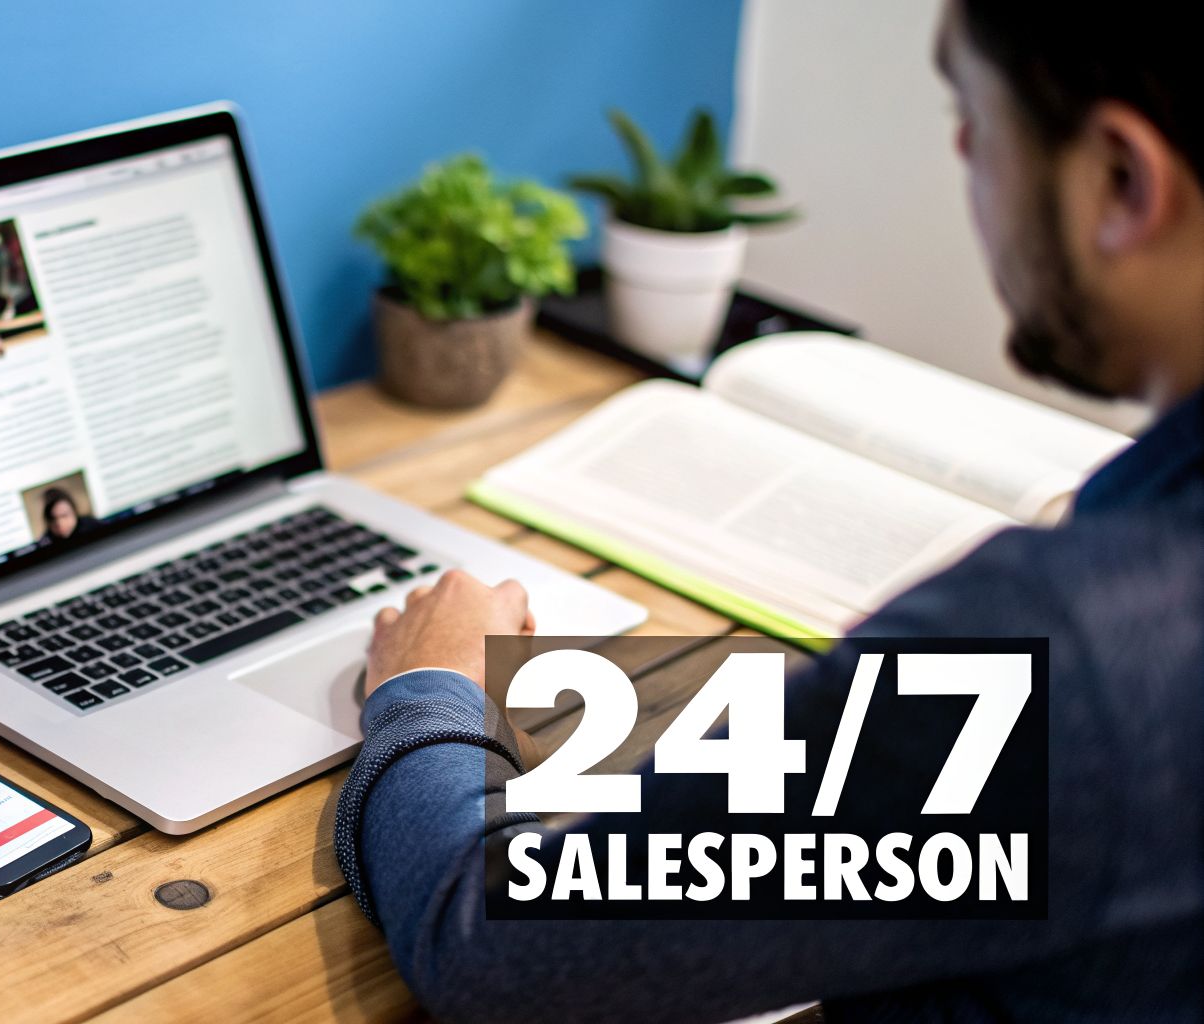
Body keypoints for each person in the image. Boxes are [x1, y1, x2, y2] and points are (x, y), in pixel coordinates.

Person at [333, 2, 1203, 1020]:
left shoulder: (1060, 650)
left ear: (1121, 180)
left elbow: (481, 948)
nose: (962, 154)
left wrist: (427, 686)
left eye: (972, 119)